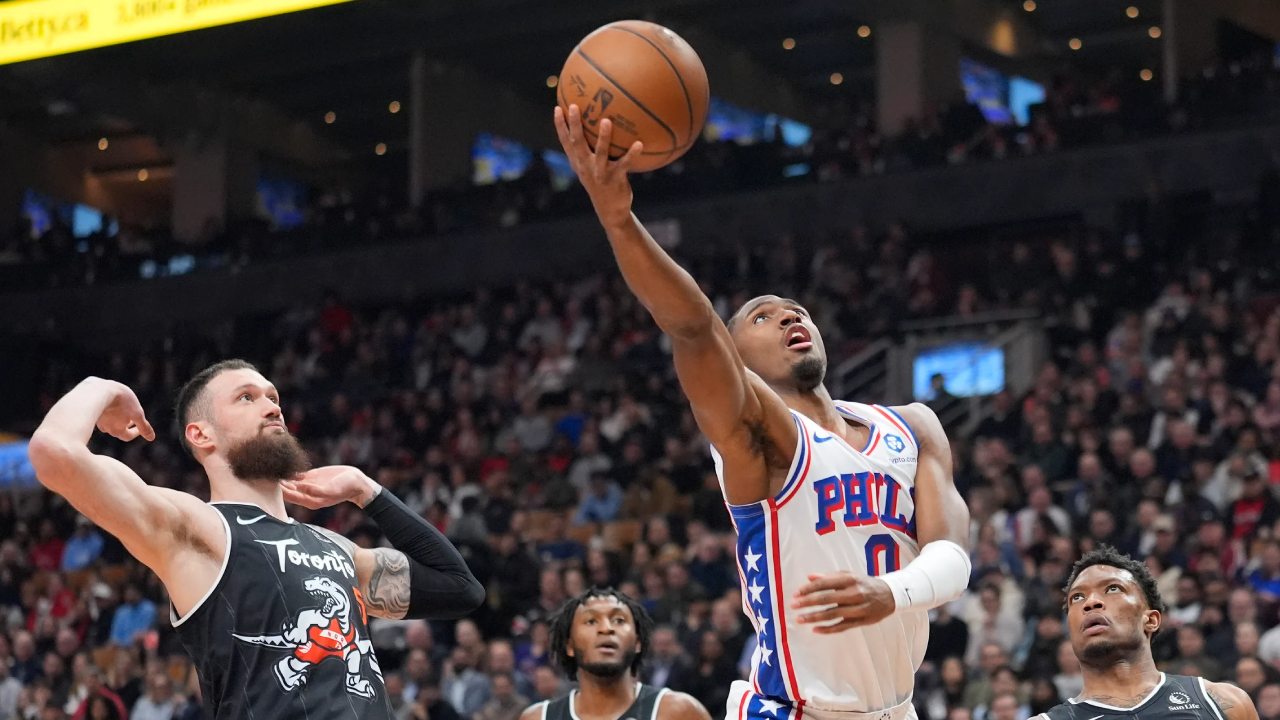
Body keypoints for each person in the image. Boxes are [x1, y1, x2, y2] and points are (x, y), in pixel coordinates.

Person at [554, 105, 972, 719]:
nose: (788, 316)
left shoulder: (912, 425)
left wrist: (891, 592)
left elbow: (953, 558)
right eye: (761, 315)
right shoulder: (763, 436)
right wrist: (619, 220)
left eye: (795, 310)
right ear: (736, 358)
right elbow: (692, 326)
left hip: (896, 707)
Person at [28, 364, 485, 720]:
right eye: (246, 397)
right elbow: (53, 452)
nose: (271, 407)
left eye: (273, 397)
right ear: (200, 434)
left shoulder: (335, 547)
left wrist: (368, 491)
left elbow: (461, 589)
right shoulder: (198, 527)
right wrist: (102, 387)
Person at [1033, 545, 1258, 719]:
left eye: (1112, 588)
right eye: (1077, 597)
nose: (1090, 602)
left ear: (1151, 620)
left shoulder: (1225, 704)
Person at [519, 588, 710, 720]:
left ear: (637, 643)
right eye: (591, 621)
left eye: (618, 620)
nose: (606, 628)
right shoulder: (539, 717)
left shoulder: (679, 712)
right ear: (570, 646)